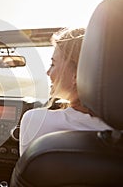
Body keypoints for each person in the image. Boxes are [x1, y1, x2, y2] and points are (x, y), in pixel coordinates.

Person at [19, 28, 112, 156]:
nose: (48, 72)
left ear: (77, 75)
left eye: (53, 64)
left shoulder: (35, 120)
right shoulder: (115, 134)